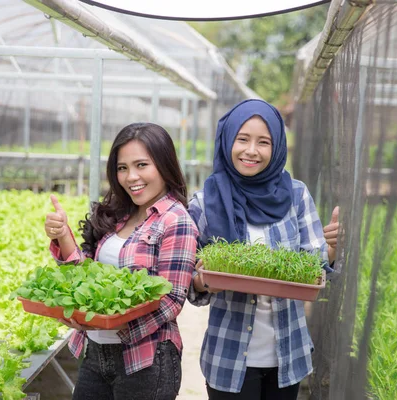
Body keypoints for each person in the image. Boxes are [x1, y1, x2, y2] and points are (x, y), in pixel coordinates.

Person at [187, 99, 340, 400]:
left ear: (278, 147)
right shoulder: (205, 201)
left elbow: (315, 266)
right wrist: (205, 280)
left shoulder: (296, 195)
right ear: (227, 140)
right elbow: (189, 282)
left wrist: (330, 251)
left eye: (263, 142)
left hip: (288, 353)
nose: (251, 151)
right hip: (228, 357)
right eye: (242, 139)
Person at [44, 122, 198, 400]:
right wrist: (63, 236)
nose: (131, 177)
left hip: (146, 359)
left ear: (164, 165)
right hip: (95, 353)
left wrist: (112, 323)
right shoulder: (119, 214)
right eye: (122, 167)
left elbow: (172, 299)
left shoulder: (176, 220)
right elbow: (86, 280)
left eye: (142, 165)